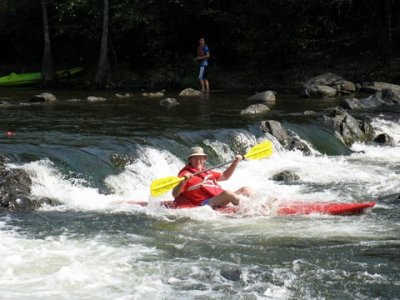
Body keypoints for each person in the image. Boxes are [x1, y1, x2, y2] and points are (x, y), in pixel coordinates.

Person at [172, 146, 253, 208]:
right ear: (190, 160)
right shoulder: (185, 173)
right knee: (228, 193)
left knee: (246, 189)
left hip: (218, 199)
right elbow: (175, 195)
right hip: (205, 203)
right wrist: (182, 181)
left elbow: (225, 176)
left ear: (204, 160)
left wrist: (234, 163)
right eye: (195, 158)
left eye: (201, 158)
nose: (198, 161)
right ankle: (245, 209)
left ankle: (258, 205)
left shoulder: (207, 171)